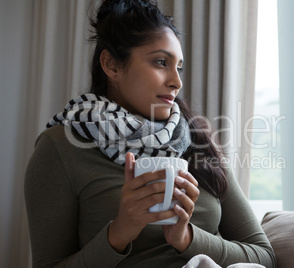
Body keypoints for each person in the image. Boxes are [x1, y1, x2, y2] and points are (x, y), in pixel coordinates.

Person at [24, 0, 276, 267]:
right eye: (160, 62)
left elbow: (264, 256)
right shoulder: (61, 147)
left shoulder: (197, 139)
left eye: (178, 67)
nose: (176, 82)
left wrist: (186, 237)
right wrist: (119, 232)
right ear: (112, 65)